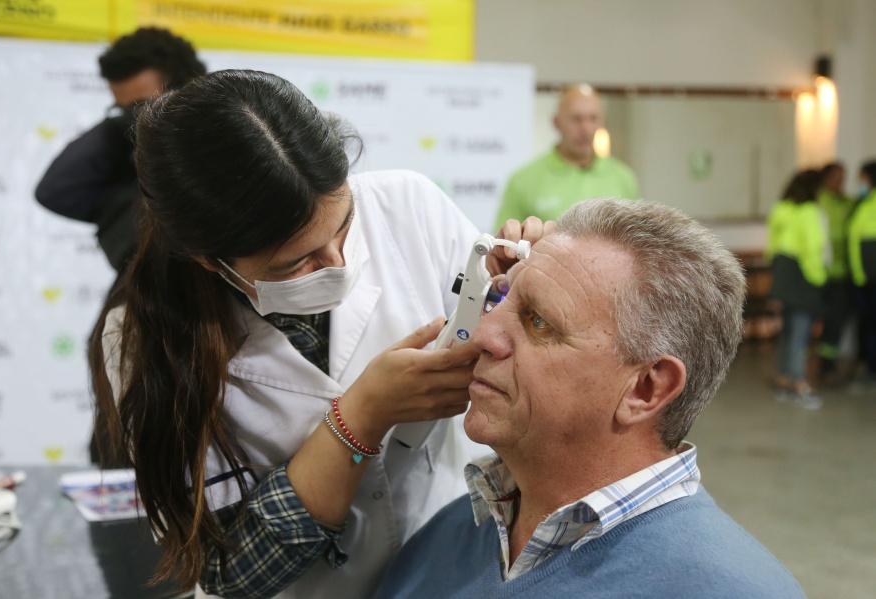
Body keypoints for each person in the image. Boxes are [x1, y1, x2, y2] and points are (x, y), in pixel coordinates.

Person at [88, 69, 549, 599]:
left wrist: (518, 292)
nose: (338, 267)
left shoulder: (408, 206)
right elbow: (230, 572)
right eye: (297, 262)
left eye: (345, 227)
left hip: (441, 570)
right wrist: (361, 416)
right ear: (209, 261)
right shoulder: (145, 343)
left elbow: (513, 352)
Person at [376, 198, 805, 598]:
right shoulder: (450, 535)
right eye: (499, 299)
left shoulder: (727, 589)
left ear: (645, 389)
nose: (484, 335)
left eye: (539, 322)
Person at [35, 27, 206, 275]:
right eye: (125, 109)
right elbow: (56, 190)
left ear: (187, 92)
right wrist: (117, 123)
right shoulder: (127, 157)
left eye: (144, 105)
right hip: (145, 291)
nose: (136, 121)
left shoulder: (234, 148)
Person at [494, 84, 639, 228]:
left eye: (593, 118)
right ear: (557, 122)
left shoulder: (623, 178)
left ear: (602, 123)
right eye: (576, 119)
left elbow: (635, 239)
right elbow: (505, 242)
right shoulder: (523, 181)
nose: (585, 128)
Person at [767, 169, 828, 409]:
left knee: (788, 330)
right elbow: (813, 247)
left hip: (782, 267)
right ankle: (799, 384)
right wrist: (819, 277)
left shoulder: (781, 208)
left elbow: (771, 243)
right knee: (800, 332)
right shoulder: (809, 211)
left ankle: (783, 380)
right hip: (802, 272)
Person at [816, 162, 853, 383]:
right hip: (822, 273)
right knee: (816, 320)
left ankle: (827, 366)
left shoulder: (848, 203)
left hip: (844, 273)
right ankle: (803, 370)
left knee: (836, 321)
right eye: (837, 178)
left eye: (843, 178)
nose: (841, 183)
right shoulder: (818, 201)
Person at [846, 160, 876, 390]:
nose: (859, 183)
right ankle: (866, 366)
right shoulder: (862, 204)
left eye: (862, 178)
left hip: (870, 279)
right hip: (863, 280)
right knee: (866, 324)